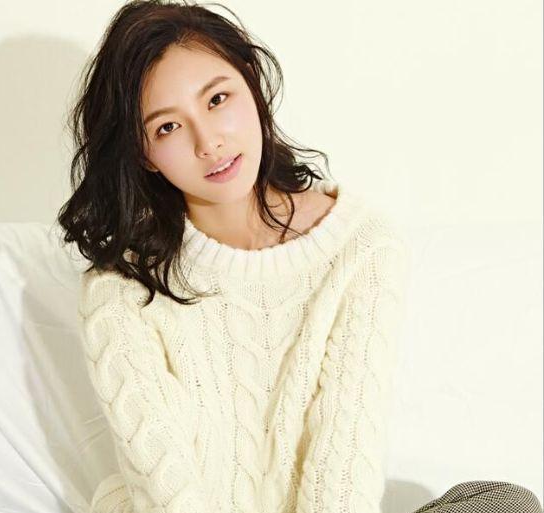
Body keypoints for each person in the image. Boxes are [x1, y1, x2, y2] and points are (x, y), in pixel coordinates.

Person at [55, 1, 543, 512]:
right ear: (144, 155)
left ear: (253, 86)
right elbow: (166, 492)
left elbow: (343, 463)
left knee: (505, 504)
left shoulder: (360, 247)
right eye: (167, 128)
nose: (209, 142)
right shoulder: (123, 288)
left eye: (217, 99)